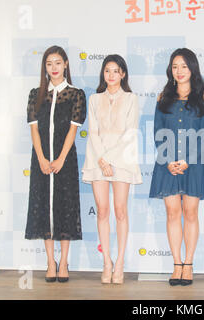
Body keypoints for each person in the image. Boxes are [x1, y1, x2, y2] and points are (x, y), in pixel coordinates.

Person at [149, 48, 204, 286]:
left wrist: (188, 159)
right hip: (166, 164)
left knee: (190, 213)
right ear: (170, 70)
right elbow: (158, 131)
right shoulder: (162, 98)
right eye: (175, 66)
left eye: (184, 66)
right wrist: (168, 160)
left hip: (194, 164)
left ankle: (188, 264)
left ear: (193, 69)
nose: (179, 71)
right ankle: (176, 264)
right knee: (172, 213)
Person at [25, 45, 86, 283]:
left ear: (66, 64)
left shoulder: (75, 94)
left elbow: (73, 129)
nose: (54, 68)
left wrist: (60, 158)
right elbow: (34, 130)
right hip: (40, 159)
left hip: (65, 159)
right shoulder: (35, 94)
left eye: (58, 63)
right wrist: (41, 158)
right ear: (45, 67)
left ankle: (64, 263)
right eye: (49, 64)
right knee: (44, 208)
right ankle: (50, 262)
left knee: (65, 206)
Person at [82, 54, 142, 284]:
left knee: (120, 211)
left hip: (122, 161)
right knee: (103, 210)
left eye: (116, 71)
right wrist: (102, 160)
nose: (111, 75)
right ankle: (106, 262)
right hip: (97, 161)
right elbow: (93, 132)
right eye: (107, 70)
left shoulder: (131, 98)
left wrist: (111, 160)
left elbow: (130, 132)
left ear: (123, 74)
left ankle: (120, 263)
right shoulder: (94, 99)